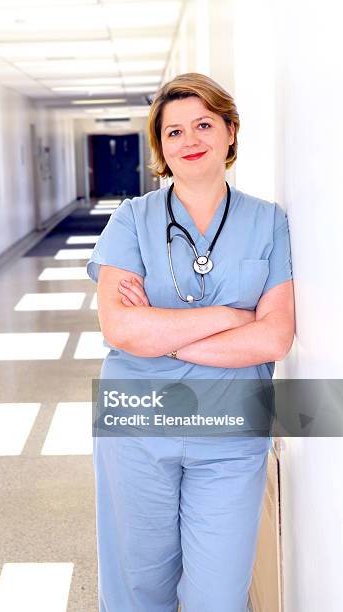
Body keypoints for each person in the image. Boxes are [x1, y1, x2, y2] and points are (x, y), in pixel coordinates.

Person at [86, 72, 295, 612]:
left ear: (229, 131)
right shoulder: (131, 219)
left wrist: (164, 335)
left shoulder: (268, 222)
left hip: (230, 432)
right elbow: (122, 329)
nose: (190, 140)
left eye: (204, 124)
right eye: (174, 131)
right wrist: (229, 316)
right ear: (160, 146)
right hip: (137, 426)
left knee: (218, 595)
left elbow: (274, 335)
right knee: (139, 587)